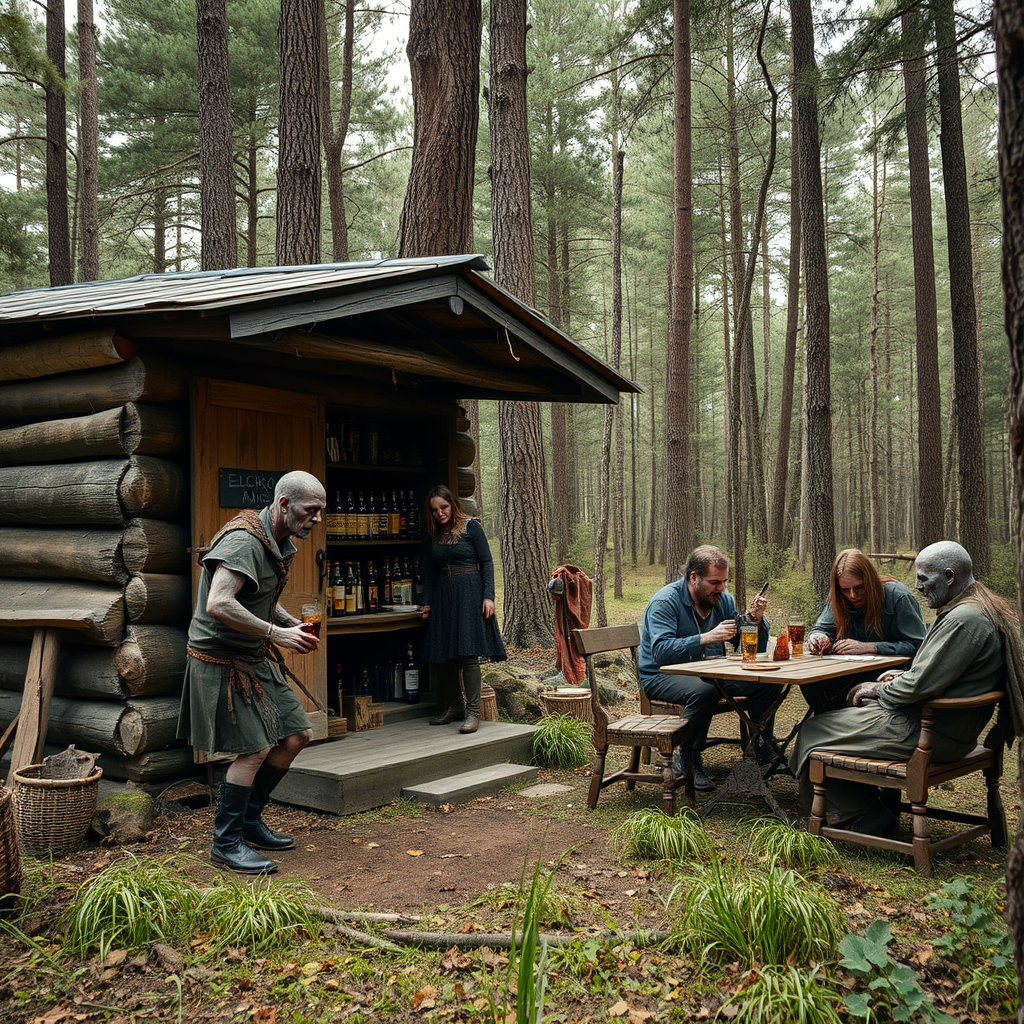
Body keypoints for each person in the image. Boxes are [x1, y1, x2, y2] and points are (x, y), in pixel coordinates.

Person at [793, 540, 1024, 837]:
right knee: (833, 717)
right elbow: (931, 674)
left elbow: (918, 684)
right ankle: (868, 803)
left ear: (949, 576)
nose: (918, 586)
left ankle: (866, 814)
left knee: (813, 732)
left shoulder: (964, 620)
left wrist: (877, 690)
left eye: (924, 579)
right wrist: (901, 677)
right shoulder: (980, 608)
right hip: (952, 727)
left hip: (930, 730)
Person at [177, 471, 326, 874]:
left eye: (320, 512)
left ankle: (248, 822)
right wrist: (277, 633)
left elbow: (259, 599)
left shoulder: (280, 542)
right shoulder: (244, 541)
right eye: (310, 511)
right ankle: (225, 844)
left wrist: (287, 622)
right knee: (255, 748)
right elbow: (220, 603)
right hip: (220, 658)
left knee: (296, 735)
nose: (316, 519)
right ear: (283, 504)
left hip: (253, 654)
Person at [639, 545, 775, 791]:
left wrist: (754, 621)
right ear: (694, 577)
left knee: (767, 683)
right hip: (661, 676)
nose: (721, 588)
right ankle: (689, 759)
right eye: (715, 582)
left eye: (724, 581)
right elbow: (661, 652)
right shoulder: (665, 601)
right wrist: (706, 638)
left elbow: (743, 645)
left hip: (710, 674)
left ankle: (761, 748)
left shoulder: (722, 600)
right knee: (703, 692)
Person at [420, 485, 506, 734]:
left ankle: (473, 713)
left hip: (470, 593)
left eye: (443, 507)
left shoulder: (471, 527)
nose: (439, 513)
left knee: (468, 654)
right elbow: (430, 572)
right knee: (440, 654)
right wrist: (427, 602)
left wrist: (488, 596)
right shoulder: (434, 534)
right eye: (434, 510)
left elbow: (487, 562)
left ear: (453, 504)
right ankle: (455, 706)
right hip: (444, 596)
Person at [802, 549, 927, 712]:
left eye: (859, 587)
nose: (853, 595)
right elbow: (820, 628)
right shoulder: (840, 599)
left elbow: (918, 645)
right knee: (811, 683)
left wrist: (870, 647)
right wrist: (819, 637)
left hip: (888, 678)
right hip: (849, 673)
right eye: (845, 590)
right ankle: (828, 724)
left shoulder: (897, 596)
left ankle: (839, 727)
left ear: (871, 580)